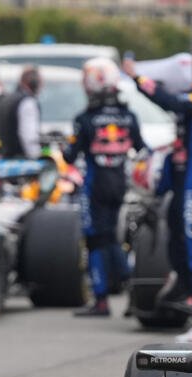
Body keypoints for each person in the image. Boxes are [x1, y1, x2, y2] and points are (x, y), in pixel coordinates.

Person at [123, 54, 192, 308]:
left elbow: (169, 101)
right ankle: (183, 287)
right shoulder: (187, 96)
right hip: (179, 177)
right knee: (175, 230)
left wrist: (137, 77)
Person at [65, 58, 147, 317]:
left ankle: (101, 300)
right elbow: (142, 148)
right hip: (119, 183)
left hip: (96, 184)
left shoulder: (85, 119)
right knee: (112, 237)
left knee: (95, 239)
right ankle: (135, 292)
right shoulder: (128, 115)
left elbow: (69, 155)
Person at [0, 66, 42, 158]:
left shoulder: (6, 99)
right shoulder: (28, 102)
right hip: (22, 161)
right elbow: (29, 136)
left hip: (5, 158)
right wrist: (36, 156)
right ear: (34, 83)